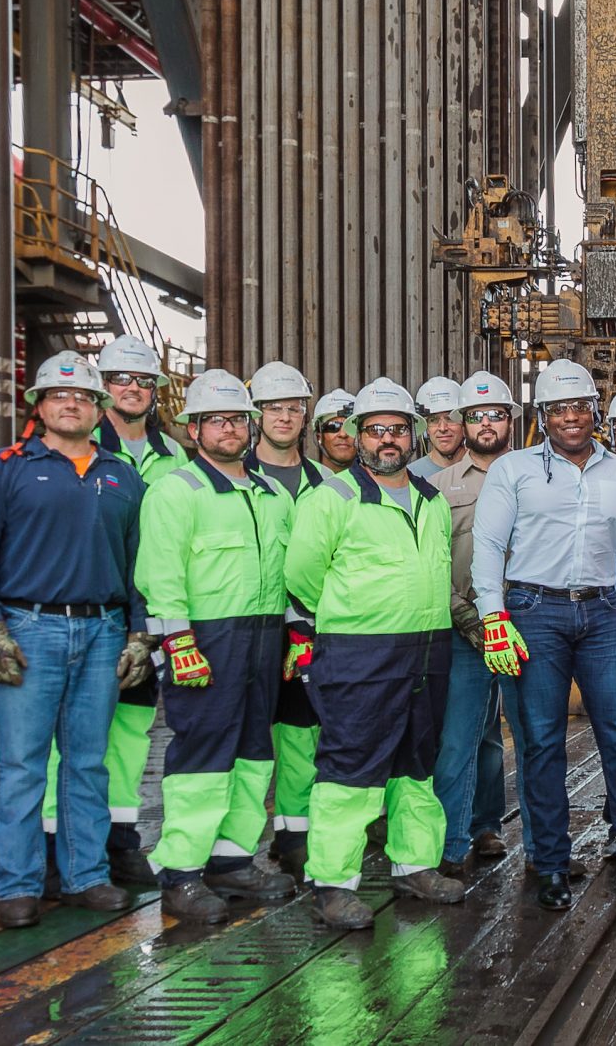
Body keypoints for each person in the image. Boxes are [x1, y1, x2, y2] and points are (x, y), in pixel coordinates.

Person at [472, 359, 616, 910]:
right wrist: (494, 617)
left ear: (594, 412)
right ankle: (552, 865)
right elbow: (489, 546)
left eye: (579, 407)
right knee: (541, 742)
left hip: (605, 614)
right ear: (544, 415)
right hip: (533, 610)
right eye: (559, 409)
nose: (570, 418)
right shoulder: (512, 471)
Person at [0, 350, 149, 927]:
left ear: (99, 410)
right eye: (59, 395)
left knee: (88, 762)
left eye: (84, 397)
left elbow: (140, 560)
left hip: (104, 628)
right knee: (22, 764)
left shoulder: (121, 476)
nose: (72, 403)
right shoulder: (6, 467)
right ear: (38, 406)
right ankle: (16, 885)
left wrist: (140, 632)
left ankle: (85, 875)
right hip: (28, 627)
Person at [281, 376, 470, 931]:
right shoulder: (332, 497)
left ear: (412, 436)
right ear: (357, 437)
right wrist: (354, 618)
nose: (387, 440)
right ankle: (334, 883)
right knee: (351, 768)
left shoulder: (431, 499)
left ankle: (414, 865)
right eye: (374, 431)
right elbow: (302, 576)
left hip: (428, 650)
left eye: (395, 430)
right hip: (358, 654)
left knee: (416, 765)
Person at [135, 369, 299, 922]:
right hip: (206, 639)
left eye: (236, 420)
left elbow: (290, 572)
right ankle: (181, 871)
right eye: (216, 420)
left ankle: (232, 861)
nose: (228, 429)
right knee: (202, 756)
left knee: (255, 752)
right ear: (194, 429)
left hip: (264, 637)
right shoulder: (175, 492)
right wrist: (178, 639)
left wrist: (295, 634)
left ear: (251, 428)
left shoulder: (273, 494)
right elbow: (160, 573)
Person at [35, 337, 178, 890]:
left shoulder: (177, 457)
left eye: (143, 381)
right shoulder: (73, 449)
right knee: (63, 739)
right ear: (103, 389)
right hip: (85, 609)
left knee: (130, 735)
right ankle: (53, 846)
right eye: (122, 380)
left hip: (142, 614)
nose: (134, 389)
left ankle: (120, 842)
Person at [240, 360, 330, 879]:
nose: (283, 417)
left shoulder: (324, 481)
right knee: (250, 734)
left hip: (307, 626)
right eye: (273, 408)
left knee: (301, 730)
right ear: (257, 415)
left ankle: (293, 834)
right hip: (248, 624)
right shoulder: (237, 475)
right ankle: (235, 845)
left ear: (305, 415)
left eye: (293, 407)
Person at [434, 371, 517, 877]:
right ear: (462, 423)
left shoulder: (536, 476)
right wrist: (464, 615)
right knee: (461, 736)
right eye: (476, 416)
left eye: (496, 415)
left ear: (512, 420)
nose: (487, 424)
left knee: (525, 739)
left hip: (527, 625)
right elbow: (429, 559)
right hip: (465, 628)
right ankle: (449, 842)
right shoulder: (438, 488)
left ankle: (490, 825)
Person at [409, 377, 465, 480]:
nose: (443, 428)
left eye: (450, 419)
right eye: (433, 420)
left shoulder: (483, 470)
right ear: (426, 431)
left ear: (464, 425)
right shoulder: (411, 475)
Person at [313, 387, 358, 476]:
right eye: (333, 426)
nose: (343, 434)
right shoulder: (306, 485)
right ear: (319, 436)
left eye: (350, 427)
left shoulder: (376, 484)